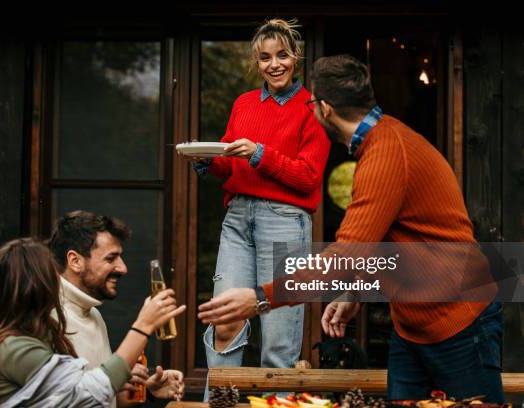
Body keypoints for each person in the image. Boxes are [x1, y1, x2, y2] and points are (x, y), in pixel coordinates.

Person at [197, 54, 504, 402]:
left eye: (311, 102)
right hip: (413, 328)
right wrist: (355, 292)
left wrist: (259, 298)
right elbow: (384, 241)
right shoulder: (379, 143)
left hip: (460, 323)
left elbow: (344, 256)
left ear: (324, 109)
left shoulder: (386, 153)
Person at [182, 18, 330, 394]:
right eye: (265, 58)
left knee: (278, 339)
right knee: (224, 320)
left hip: (285, 221)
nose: (274, 64)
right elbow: (232, 162)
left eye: (282, 55)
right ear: (256, 62)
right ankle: (221, 402)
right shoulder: (244, 103)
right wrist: (205, 159)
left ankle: (276, 402)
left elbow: (309, 177)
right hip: (237, 218)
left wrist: (260, 154)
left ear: (295, 56)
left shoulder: (313, 108)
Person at [0, 237, 185, 407]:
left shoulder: (44, 333)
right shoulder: (14, 348)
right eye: (50, 274)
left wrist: (142, 389)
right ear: (34, 287)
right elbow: (86, 393)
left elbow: (84, 395)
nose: (57, 281)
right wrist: (143, 326)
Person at [49, 210, 185, 406]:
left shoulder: (93, 314)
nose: (123, 268)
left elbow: (96, 399)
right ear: (75, 261)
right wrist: (144, 325)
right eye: (111, 258)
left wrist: (143, 391)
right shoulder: (49, 317)